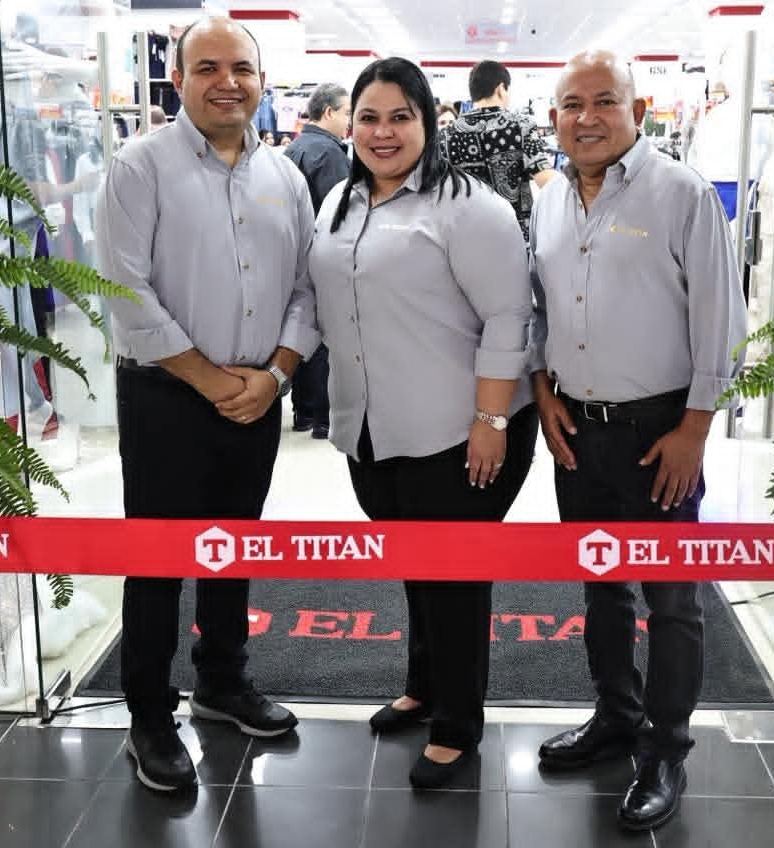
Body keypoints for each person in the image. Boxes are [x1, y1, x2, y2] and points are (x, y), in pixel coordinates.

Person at [96, 16, 320, 793]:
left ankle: (223, 680)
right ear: (179, 80)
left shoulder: (285, 174)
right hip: (165, 395)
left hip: (257, 395)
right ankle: (149, 714)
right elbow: (124, 290)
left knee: (235, 545)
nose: (228, 82)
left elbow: (307, 287)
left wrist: (276, 375)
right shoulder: (140, 166)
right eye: (208, 68)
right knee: (158, 561)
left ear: (262, 81)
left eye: (242, 69)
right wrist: (208, 379)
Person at [529, 50, 746, 832]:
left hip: (662, 431)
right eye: (571, 104)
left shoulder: (681, 194)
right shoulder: (549, 200)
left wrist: (696, 428)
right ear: (553, 116)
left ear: (638, 109)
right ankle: (615, 716)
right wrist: (542, 390)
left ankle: (665, 749)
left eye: (604, 101)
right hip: (577, 429)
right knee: (601, 581)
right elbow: (540, 309)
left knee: (672, 597)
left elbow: (722, 320)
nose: (586, 118)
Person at [308, 57, 538, 789]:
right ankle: (424, 685)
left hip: (461, 432)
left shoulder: (467, 207)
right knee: (415, 566)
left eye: (400, 117)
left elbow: (509, 315)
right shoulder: (339, 201)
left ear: (428, 123)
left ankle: (458, 722)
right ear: (350, 124)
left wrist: (490, 418)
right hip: (372, 428)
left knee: (455, 580)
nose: (383, 132)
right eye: (369, 117)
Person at [283, 82, 351, 439]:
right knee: (326, 336)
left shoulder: (292, 149)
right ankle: (324, 417)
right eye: (347, 113)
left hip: (292, 257)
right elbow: (340, 214)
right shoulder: (330, 154)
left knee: (299, 330)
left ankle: (304, 412)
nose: (349, 121)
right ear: (329, 112)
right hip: (321, 257)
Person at [439, 60, 557, 239]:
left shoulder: (446, 134)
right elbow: (546, 181)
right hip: (513, 235)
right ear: (501, 89)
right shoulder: (521, 125)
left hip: (463, 237)